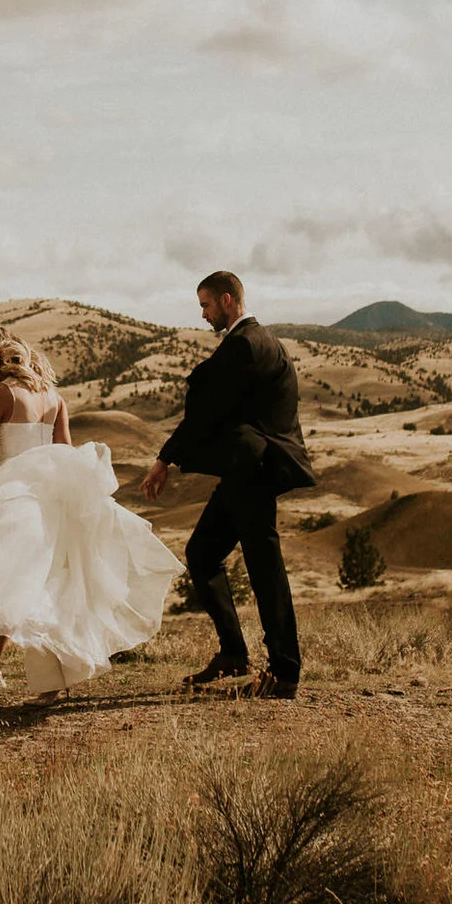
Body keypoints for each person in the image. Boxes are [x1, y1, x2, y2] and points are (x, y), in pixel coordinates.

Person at [0, 321, 184, 699]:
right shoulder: (53, 397)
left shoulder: (0, 395)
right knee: (42, 585)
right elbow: (66, 453)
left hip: (19, 500)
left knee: (16, 585)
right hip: (55, 502)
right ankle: (43, 683)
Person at [136, 270, 314, 699]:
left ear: (228, 300)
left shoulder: (244, 345)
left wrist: (164, 458)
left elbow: (206, 410)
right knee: (202, 553)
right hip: (247, 469)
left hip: (252, 470)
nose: (203, 314)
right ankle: (234, 654)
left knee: (263, 565)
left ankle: (284, 672)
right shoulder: (264, 341)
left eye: (206, 305)